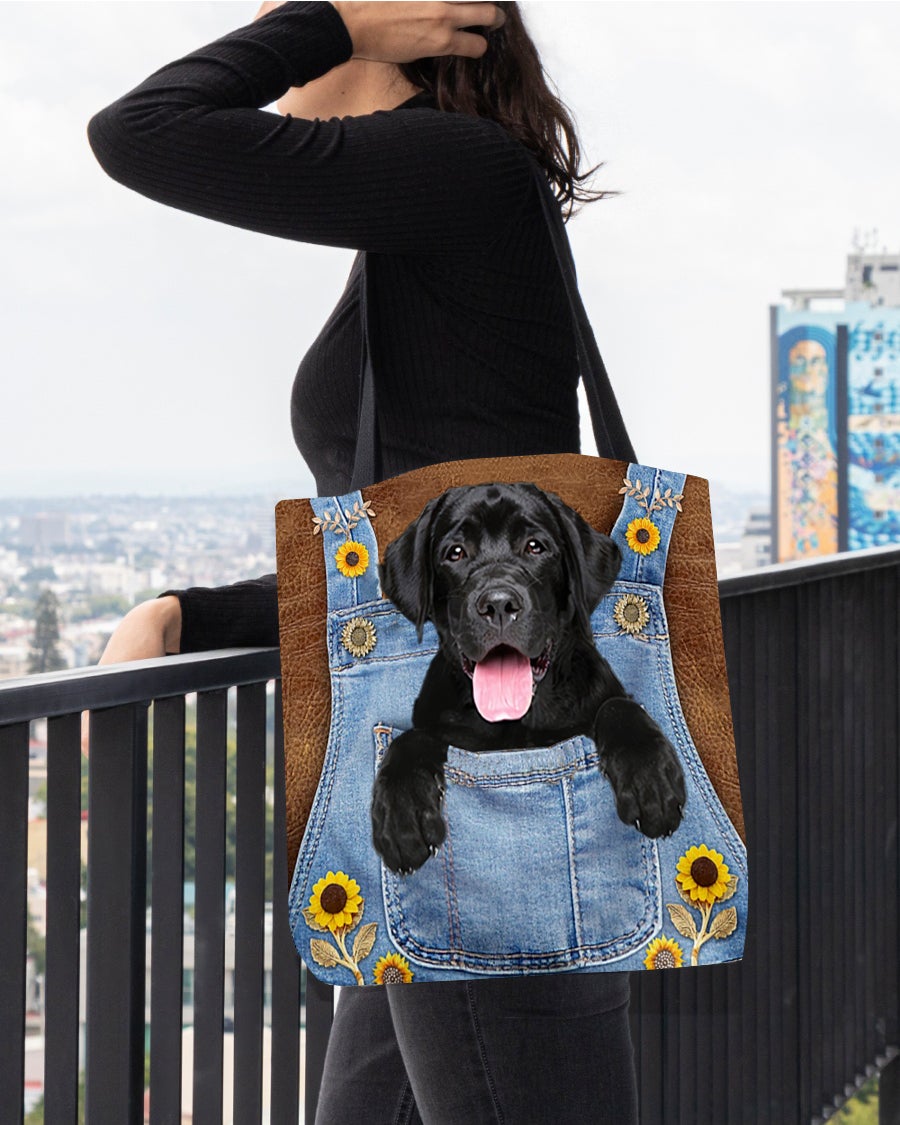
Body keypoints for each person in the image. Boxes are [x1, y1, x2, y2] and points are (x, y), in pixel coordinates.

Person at [88, 3, 639, 1121]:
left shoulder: (456, 170)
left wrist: (334, 25)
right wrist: (195, 614)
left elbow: (140, 130)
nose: (267, 29)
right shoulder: (440, 206)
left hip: (483, 800)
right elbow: (429, 561)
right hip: (448, 783)